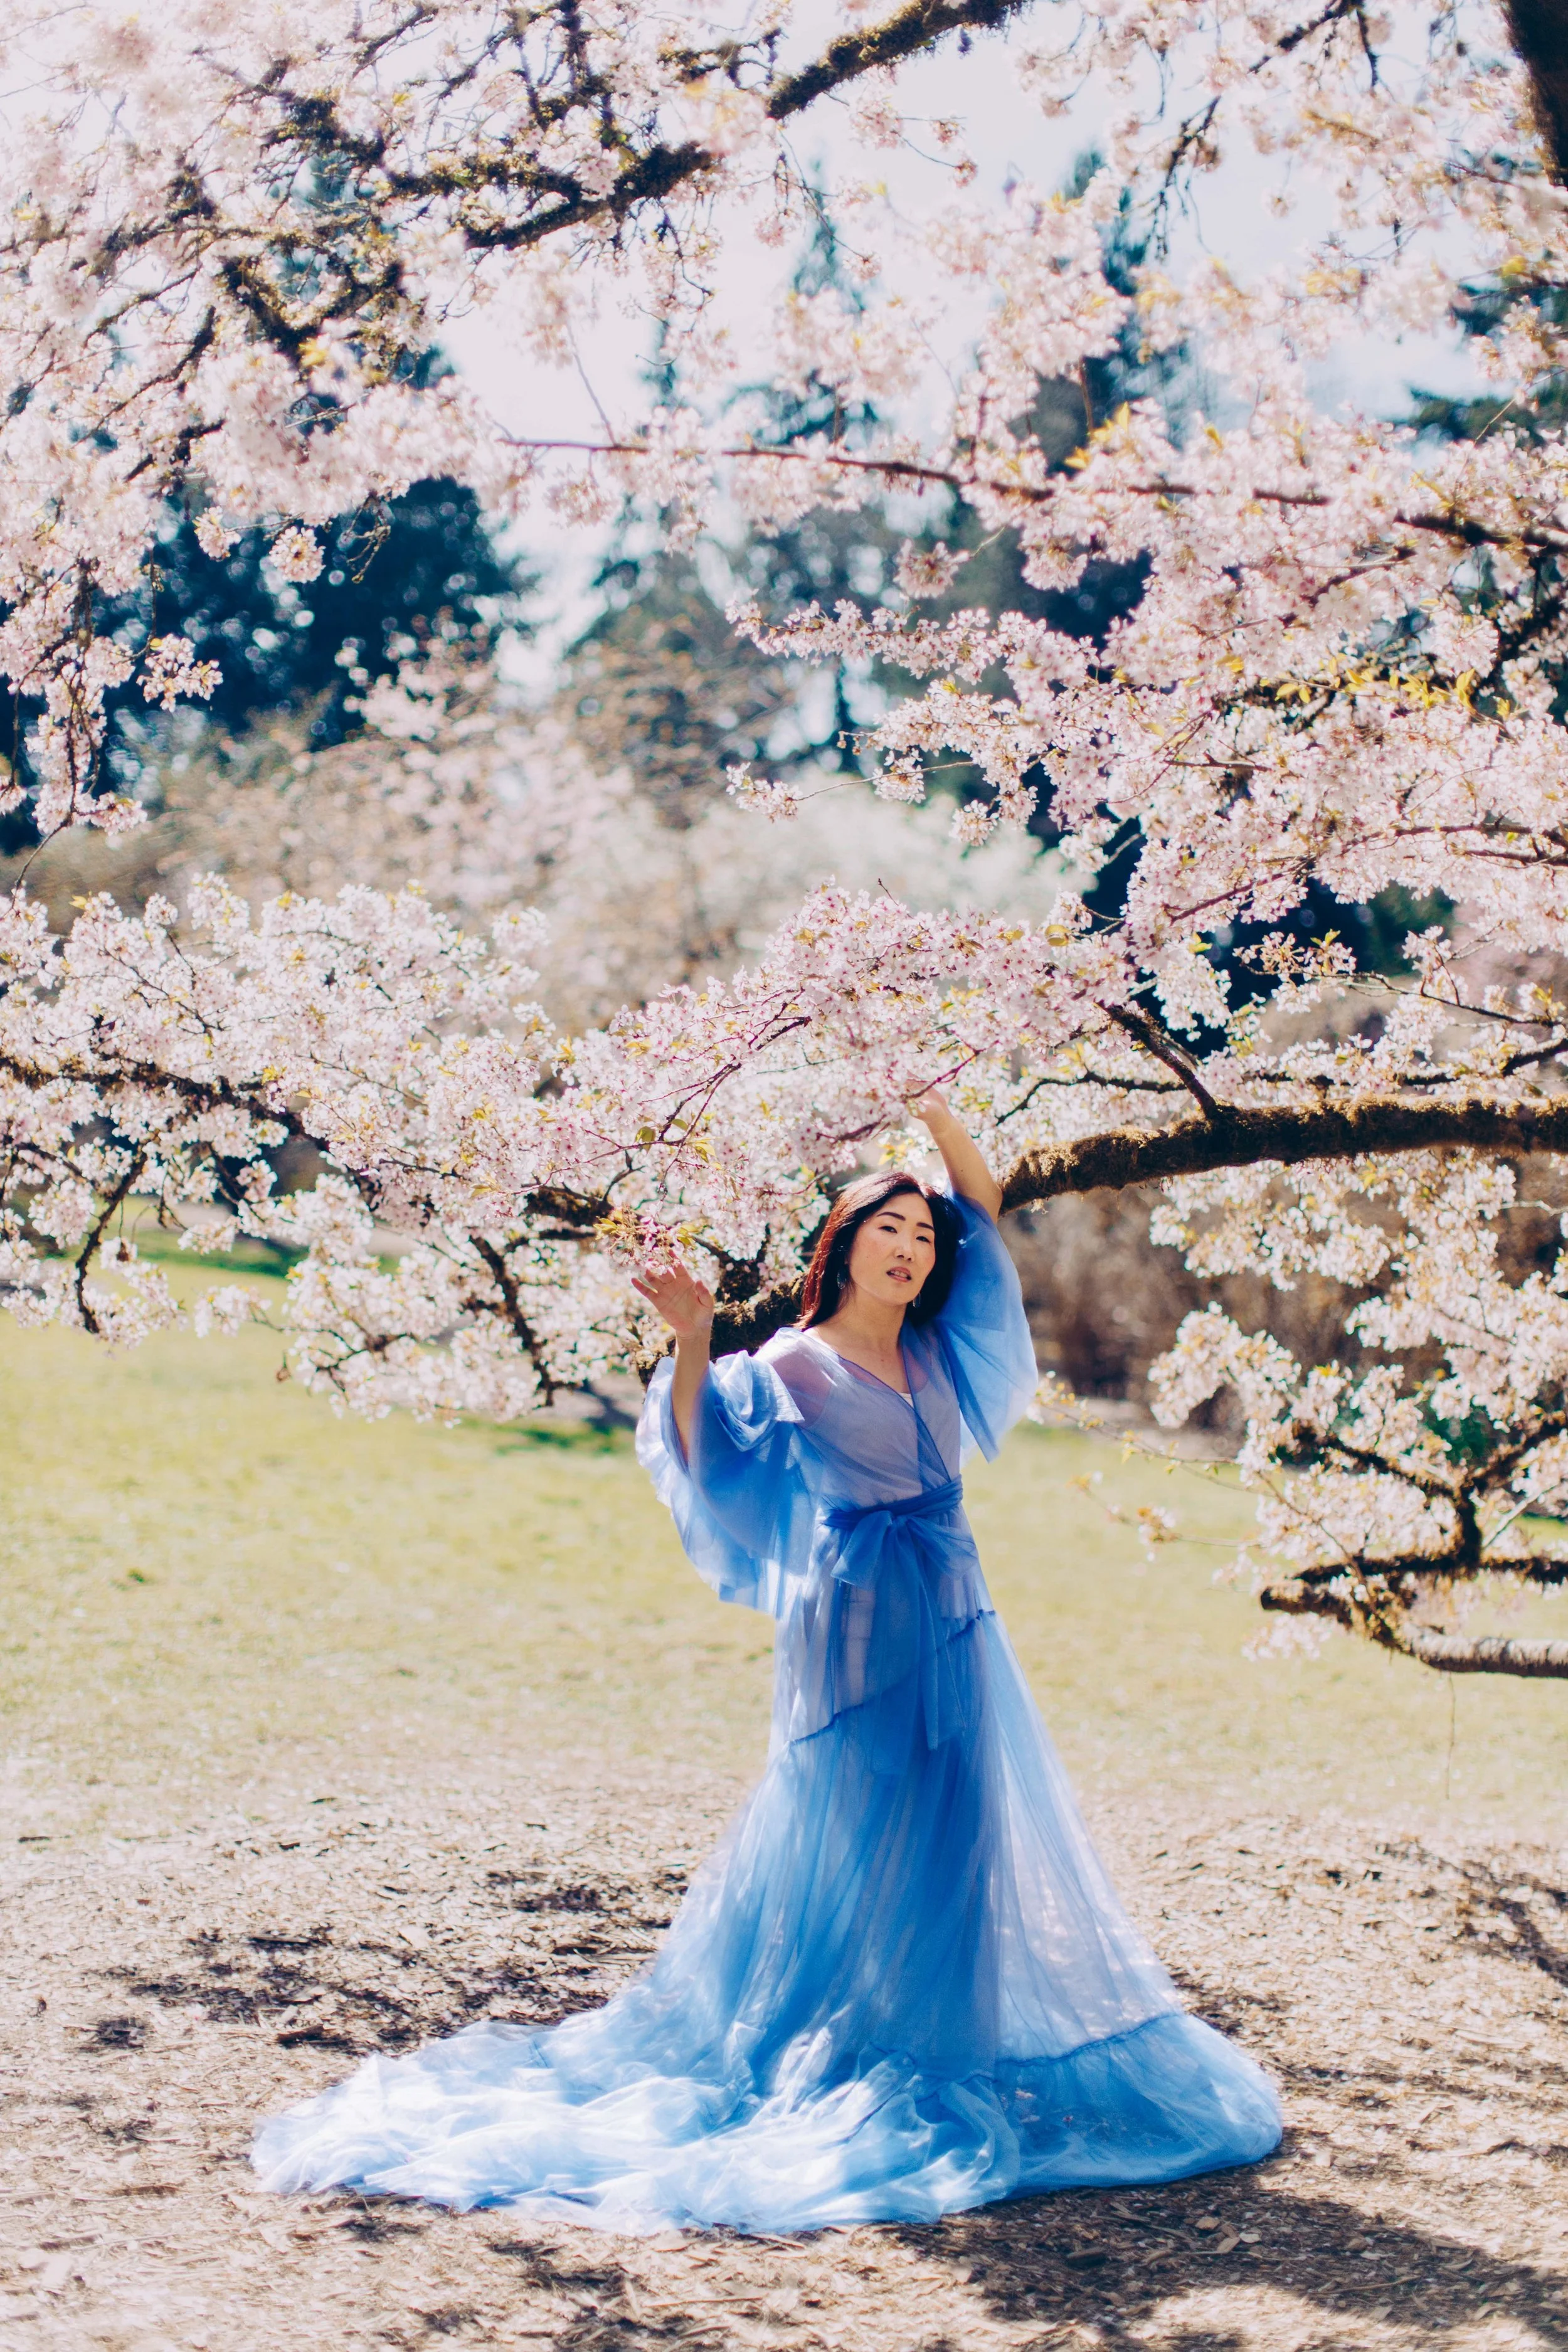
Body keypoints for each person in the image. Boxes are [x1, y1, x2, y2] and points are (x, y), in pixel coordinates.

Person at [253, 1092, 1281, 2232]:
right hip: (852, 1626)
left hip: (955, 1613)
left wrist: (936, 1108)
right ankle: (838, 2047)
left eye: (921, 1238)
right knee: (857, 1825)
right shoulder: (794, 1363)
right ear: (842, 1247)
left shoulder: (939, 1350)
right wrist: (694, 1342)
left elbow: (981, 1209)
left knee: (961, 1825)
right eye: (888, 1230)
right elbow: (703, 1452)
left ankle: (933, 2042)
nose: (912, 1248)